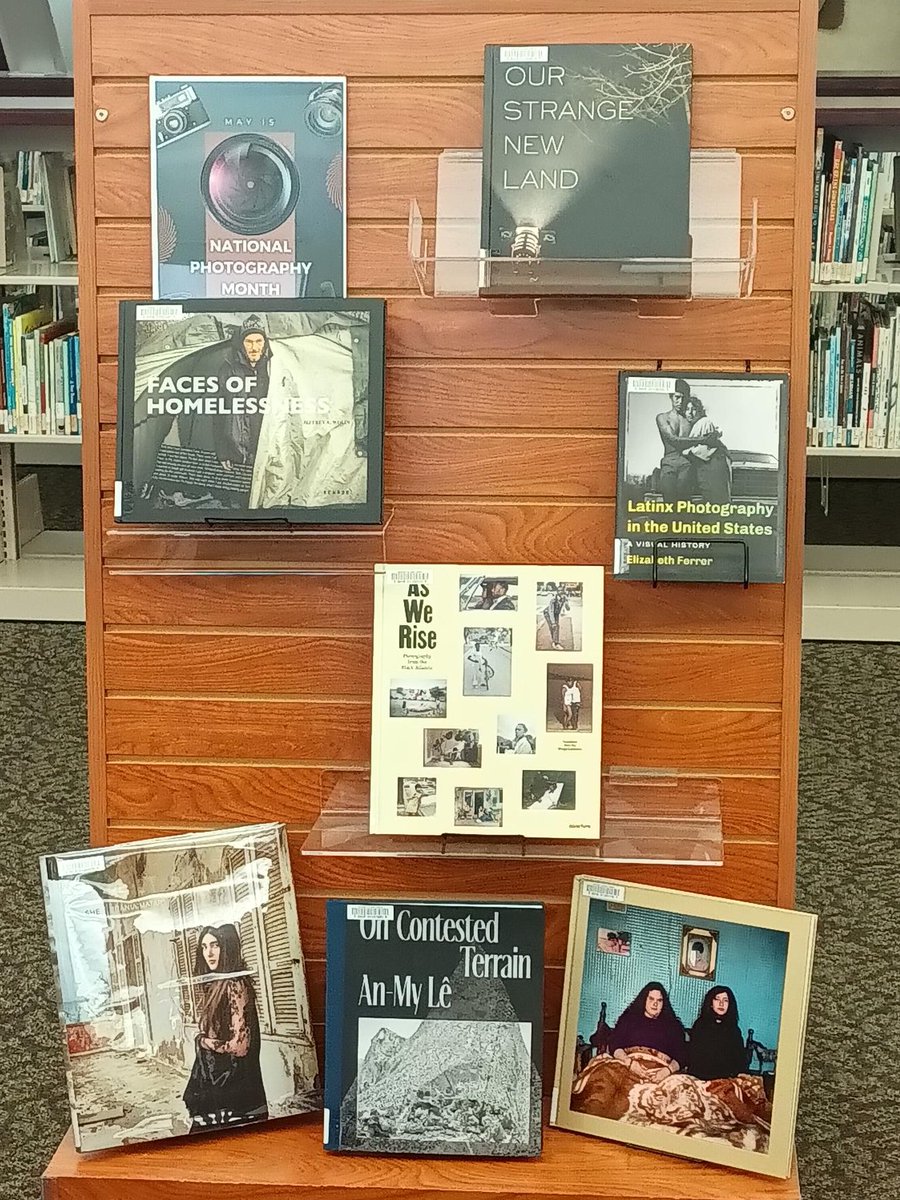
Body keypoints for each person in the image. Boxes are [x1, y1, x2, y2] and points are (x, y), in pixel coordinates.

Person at [182, 923, 267, 1131]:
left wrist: (203, 1041)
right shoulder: (218, 985)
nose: (208, 953)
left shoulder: (235, 984)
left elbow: (240, 1046)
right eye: (203, 947)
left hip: (235, 1091)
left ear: (226, 947)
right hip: (219, 1087)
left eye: (215, 945)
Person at [654, 379, 719, 503]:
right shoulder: (662, 417)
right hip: (669, 462)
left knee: (683, 504)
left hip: (687, 463)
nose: (680, 402)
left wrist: (717, 432)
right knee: (669, 503)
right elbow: (673, 440)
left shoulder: (690, 418)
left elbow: (704, 424)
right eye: (677, 397)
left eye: (684, 398)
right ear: (670, 396)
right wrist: (704, 439)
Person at [607, 982, 686, 1082]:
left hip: (661, 1074)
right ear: (644, 999)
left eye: (659, 1000)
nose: (655, 1003)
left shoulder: (673, 1026)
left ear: (664, 1003)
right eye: (651, 999)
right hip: (628, 1066)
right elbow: (614, 1044)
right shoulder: (629, 1019)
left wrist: (667, 1071)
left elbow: (682, 1056)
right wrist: (630, 1063)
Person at [687, 986, 750, 1081]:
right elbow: (695, 1057)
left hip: (726, 1080)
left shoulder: (734, 1029)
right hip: (701, 1078)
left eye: (725, 1000)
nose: (721, 1004)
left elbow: (740, 1060)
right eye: (717, 999)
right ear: (711, 1003)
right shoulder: (700, 1025)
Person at [682, 395, 731, 503]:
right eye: (687, 409)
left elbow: (706, 445)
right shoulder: (693, 426)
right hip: (705, 465)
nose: (690, 413)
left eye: (694, 409)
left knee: (715, 499)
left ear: (699, 411)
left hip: (712, 464)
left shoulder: (704, 422)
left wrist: (686, 451)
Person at [542, 585, 569, 650]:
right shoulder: (553, 600)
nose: (562, 594)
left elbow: (568, 609)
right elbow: (551, 611)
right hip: (548, 613)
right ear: (557, 592)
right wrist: (553, 622)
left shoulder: (564, 599)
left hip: (556, 613)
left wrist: (566, 603)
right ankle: (556, 643)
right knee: (554, 626)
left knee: (556, 627)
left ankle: (554, 642)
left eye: (562, 592)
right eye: (560, 592)